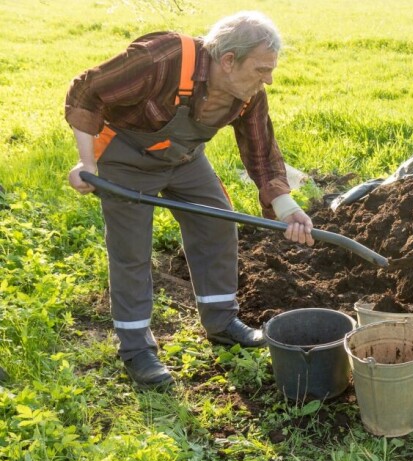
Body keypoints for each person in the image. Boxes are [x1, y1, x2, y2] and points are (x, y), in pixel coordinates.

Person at [65, 11, 314, 388]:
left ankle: (221, 322)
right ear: (228, 60)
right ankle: (136, 349)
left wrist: (287, 208)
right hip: (126, 157)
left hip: (184, 159)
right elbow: (87, 90)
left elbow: (261, 153)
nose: (269, 79)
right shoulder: (162, 59)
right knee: (131, 249)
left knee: (217, 221)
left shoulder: (248, 94)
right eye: (262, 69)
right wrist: (87, 162)